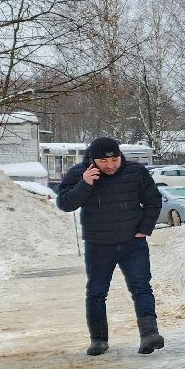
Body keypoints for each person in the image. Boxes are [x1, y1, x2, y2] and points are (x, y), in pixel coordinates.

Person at [55, 137, 165, 356]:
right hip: (98, 245)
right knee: (96, 292)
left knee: (141, 288)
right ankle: (98, 340)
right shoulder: (79, 173)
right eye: (104, 161)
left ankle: (149, 335)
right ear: (92, 159)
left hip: (133, 244)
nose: (110, 165)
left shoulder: (136, 171)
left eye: (114, 159)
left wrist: (145, 228)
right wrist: (84, 184)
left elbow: (153, 200)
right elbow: (65, 204)